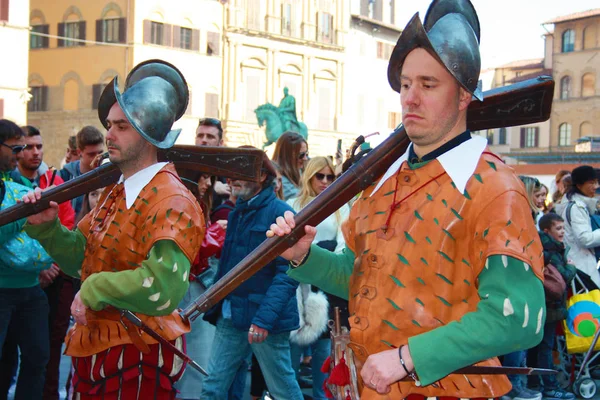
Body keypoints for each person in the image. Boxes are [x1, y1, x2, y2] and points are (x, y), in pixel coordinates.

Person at [267, 1, 545, 398]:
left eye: (428, 85)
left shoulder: (494, 187)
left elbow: (520, 317)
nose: (410, 98)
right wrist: (303, 256)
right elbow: (359, 276)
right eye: (405, 84)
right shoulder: (384, 179)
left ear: (464, 96)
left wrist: (407, 357)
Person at [21, 60, 205, 399]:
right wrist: (49, 230)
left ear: (148, 133)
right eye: (109, 124)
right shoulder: (116, 192)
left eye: (122, 126)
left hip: (138, 354)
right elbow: (84, 258)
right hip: (97, 351)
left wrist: (93, 289)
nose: (109, 134)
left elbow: (163, 287)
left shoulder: (173, 200)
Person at [200, 148, 303, 400]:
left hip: (263, 318)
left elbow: (288, 273)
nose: (232, 180)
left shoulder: (281, 212)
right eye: (230, 174)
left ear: (261, 176)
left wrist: (264, 320)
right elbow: (227, 267)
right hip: (232, 313)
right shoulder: (238, 212)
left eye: (239, 173)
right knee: (212, 386)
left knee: (283, 389)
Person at [11, 125, 76, 400]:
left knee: (43, 352)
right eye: (28, 147)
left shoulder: (53, 181)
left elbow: (68, 224)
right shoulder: (8, 184)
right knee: (7, 355)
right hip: (12, 282)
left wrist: (51, 266)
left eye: (39, 146)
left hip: (51, 279)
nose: (35, 152)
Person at [287, 156, 351, 400]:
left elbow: (344, 245)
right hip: (295, 285)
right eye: (319, 176)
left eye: (330, 177)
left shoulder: (340, 206)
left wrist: (323, 263)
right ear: (309, 176)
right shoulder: (292, 203)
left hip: (326, 287)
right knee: (290, 359)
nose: (325, 181)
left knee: (324, 360)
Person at [0, 119, 54, 400]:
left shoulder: (19, 183)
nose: (21, 154)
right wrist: (22, 218)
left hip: (30, 288)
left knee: (37, 359)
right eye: (16, 147)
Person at [526, 213, 576, 400]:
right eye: (558, 228)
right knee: (546, 346)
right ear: (547, 230)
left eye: (563, 228)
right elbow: (563, 277)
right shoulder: (552, 250)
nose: (562, 232)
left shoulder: (543, 246)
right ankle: (549, 386)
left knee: (537, 346)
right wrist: (571, 266)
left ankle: (535, 383)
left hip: (543, 304)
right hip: (550, 305)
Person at [561, 165, 600, 289]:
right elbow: (585, 239)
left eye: (596, 182)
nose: (596, 186)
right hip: (582, 268)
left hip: (583, 265)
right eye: (591, 183)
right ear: (579, 185)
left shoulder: (579, 205)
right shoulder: (576, 207)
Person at [59, 126, 105, 215]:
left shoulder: (109, 174)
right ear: (79, 152)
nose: (97, 158)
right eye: (91, 154)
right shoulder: (65, 176)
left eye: (100, 153)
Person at [271, 131, 308, 200]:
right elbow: (300, 201)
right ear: (287, 156)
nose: (305, 158)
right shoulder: (279, 180)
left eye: (307, 154)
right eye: (301, 155)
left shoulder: (300, 172)